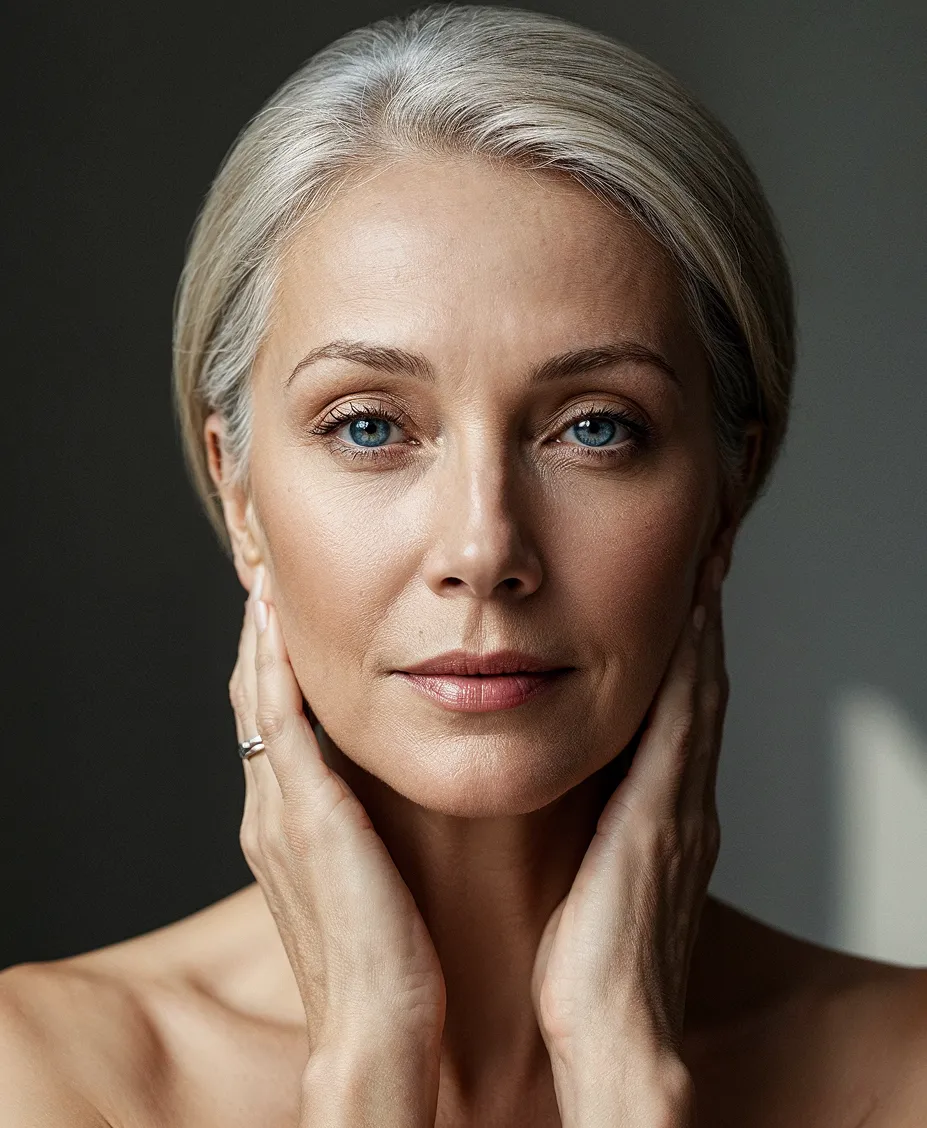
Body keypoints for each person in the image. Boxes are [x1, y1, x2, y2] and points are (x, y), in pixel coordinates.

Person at [3, 4, 925, 1125]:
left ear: (727, 491)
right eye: (368, 426)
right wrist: (367, 1062)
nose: (484, 551)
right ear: (239, 492)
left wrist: (627, 1076)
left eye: (594, 426)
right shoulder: (44, 1077)